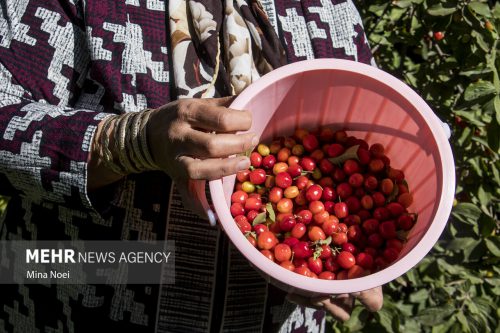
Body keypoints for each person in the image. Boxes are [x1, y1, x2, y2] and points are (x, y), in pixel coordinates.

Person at [0, 0, 382, 332]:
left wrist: (347, 262)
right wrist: (131, 141)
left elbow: (364, 145)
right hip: (82, 301)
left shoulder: (329, 10)